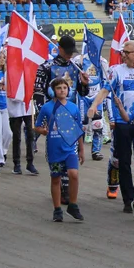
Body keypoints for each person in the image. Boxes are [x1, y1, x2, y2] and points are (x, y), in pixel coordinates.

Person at [88, 40, 134, 212]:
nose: (123, 54)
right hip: (123, 123)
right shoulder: (116, 71)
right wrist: (94, 105)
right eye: (122, 51)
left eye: (127, 52)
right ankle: (128, 199)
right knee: (123, 162)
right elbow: (105, 91)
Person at [32, 34, 89, 205]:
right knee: (58, 154)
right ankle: (60, 188)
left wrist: (85, 83)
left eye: (73, 52)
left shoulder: (76, 66)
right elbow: (38, 92)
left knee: (70, 152)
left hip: (70, 114)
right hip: (53, 115)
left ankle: (66, 191)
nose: (71, 55)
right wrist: (42, 116)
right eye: (68, 51)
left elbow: (82, 93)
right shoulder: (46, 67)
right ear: (60, 49)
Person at [34, 77, 84, 222]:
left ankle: (73, 205)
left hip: (70, 149)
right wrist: (42, 131)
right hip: (54, 150)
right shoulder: (47, 107)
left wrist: (81, 149)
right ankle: (57, 209)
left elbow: (78, 130)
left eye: (64, 88)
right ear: (53, 91)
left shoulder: (73, 107)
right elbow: (37, 125)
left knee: (73, 174)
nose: (62, 90)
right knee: (56, 178)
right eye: (59, 88)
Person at [8, 91, 37, 175]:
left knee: (31, 134)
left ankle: (30, 163)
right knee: (17, 136)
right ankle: (16, 163)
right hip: (15, 104)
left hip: (28, 103)